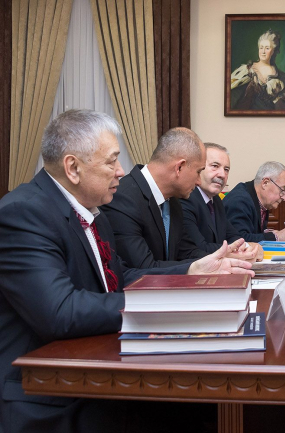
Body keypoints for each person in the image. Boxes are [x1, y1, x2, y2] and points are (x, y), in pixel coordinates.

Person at [0, 109, 253, 433]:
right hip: (49, 395)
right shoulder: (23, 213)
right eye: (111, 162)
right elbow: (60, 311)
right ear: (73, 168)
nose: (121, 171)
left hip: (97, 369)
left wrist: (192, 271)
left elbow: (121, 276)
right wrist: (164, 303)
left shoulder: (92, 211)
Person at [102, 128, 258, 268]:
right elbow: (144, 268)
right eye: (198, 172)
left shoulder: (173, 201)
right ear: (179, 167)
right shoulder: (123, 199)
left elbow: (186, 252)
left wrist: (222, 258)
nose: (198, 181)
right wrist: (198, 267)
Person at [180, 142, 263, 260]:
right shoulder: (186, 198)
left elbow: (233, 236)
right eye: (215, 166)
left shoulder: (216, 200)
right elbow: (199, 248)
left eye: (226, 169)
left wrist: (247, 247)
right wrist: (239, 250)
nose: (222, 174)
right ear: (199, 168)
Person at [223, 161, 285, 242]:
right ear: (265, 183)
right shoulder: (239, 201)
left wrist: (271, 233)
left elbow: (253, 232)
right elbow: (239, 240)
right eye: (282, 190)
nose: (284, 198)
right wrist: (275, 237)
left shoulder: (263, 201)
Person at [230, 29, 285, 111]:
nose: (263, 51)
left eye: (267, 48)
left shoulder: (282, 77)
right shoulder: (245, 70)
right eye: (261, 48)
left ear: (274, 50)